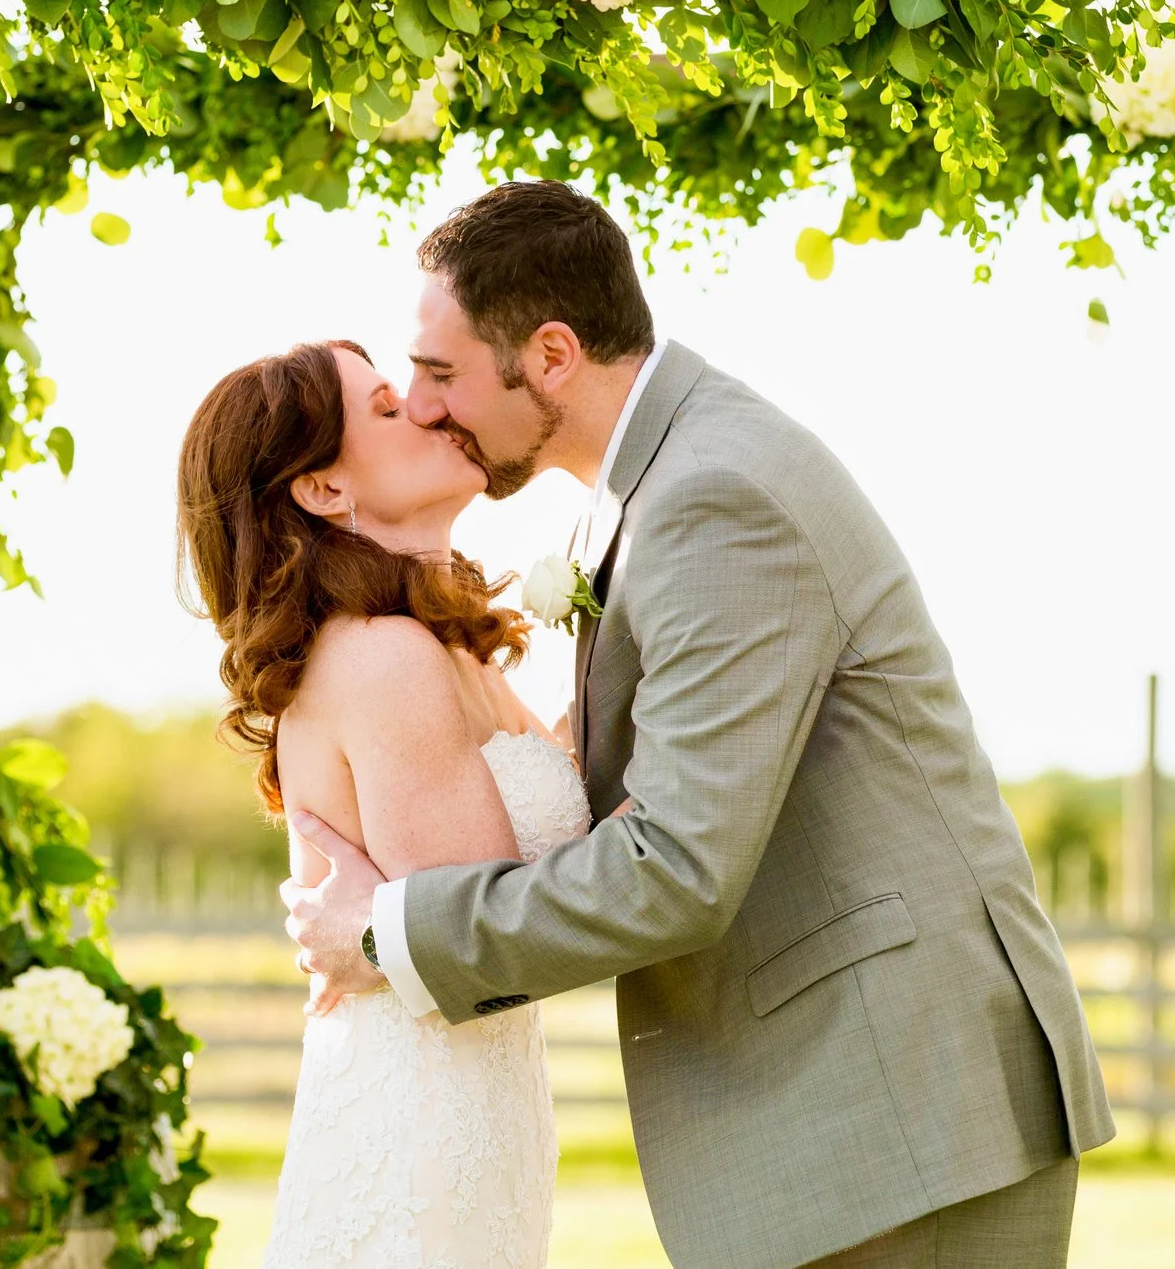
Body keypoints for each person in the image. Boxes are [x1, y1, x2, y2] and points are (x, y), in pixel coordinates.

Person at [283, 181, 1114, 1269]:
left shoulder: (711, 494)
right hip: (861, 1113)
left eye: (439, 375)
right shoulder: (661, 483)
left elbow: (675, 865)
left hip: (897, 1113)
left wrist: (385, 931)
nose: (427, 405)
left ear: (549, 354)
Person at [176, 338, 590, 1269]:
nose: (436, 411)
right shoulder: (380, 657)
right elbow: (487, 945)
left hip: (476, 1131)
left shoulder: (438, 646)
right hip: (417, 1153)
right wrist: (378, 937)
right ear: (323, 489)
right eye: (391, 408)